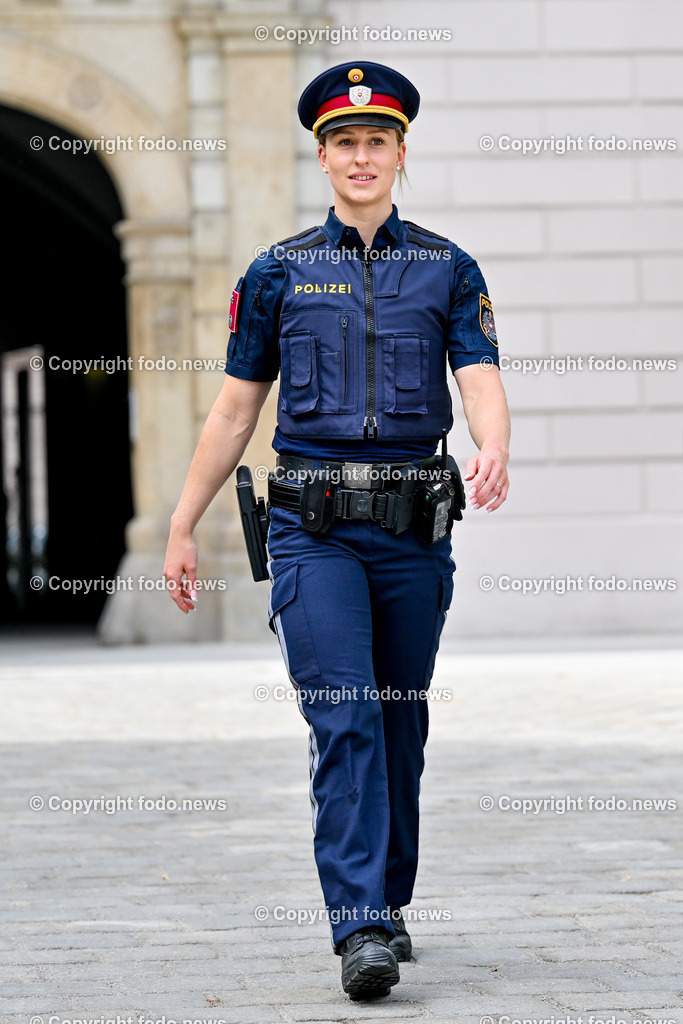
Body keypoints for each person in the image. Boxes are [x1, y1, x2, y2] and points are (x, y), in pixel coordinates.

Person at [164, 60, 510, 1001]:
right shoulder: (276, 274)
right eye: (344, 143)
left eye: (377, 141)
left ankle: (389, 905)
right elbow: (235, 413)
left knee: (398, 718)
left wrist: (492, 446)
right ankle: (356, 923)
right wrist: (181, 525)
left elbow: (477, 373)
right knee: (344, 712)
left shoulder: (447, 266)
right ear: (321, 157)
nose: (361, 157)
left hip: (411, 528)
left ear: (400, 153)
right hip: (312, 531)